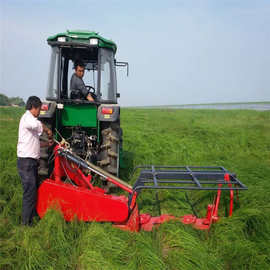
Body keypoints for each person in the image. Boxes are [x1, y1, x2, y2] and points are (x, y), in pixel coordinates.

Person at [17, 96, 53, 226]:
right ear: (33, 107)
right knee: (29, 192)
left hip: (31, 162)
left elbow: (34, 142)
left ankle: (32, 218)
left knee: (33, 191)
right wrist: (48, 130)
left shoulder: (31, 120)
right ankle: (25, 224)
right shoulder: (27, 118)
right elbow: (36, 124)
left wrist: (47, 145)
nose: (39, 113)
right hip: (26, 162)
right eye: (38, 109)